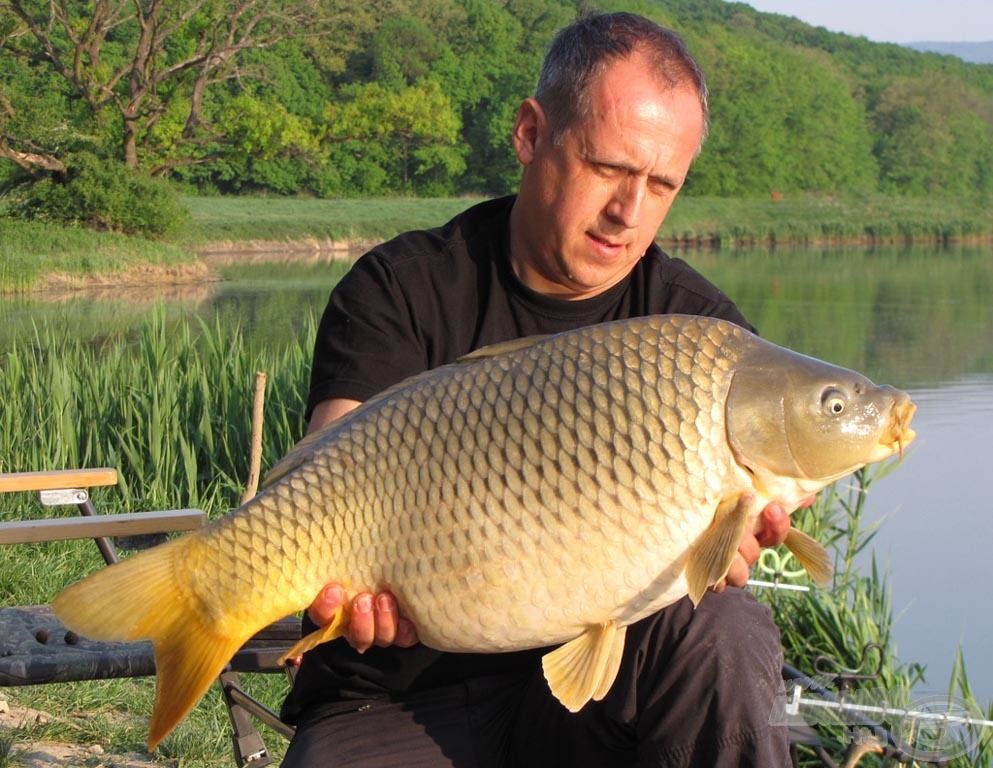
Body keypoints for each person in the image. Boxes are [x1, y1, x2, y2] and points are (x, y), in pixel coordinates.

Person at [281, 11, 797, 767]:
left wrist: (721, 551)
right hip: (395, 689)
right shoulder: (402, 286)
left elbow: (706, 591)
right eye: (609, 169)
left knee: (728, 627)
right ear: (529, 134)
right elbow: (334, 456)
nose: (629, 212)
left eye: (661, 185)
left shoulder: (700, 337)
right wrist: (336, 581)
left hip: (593, 696)